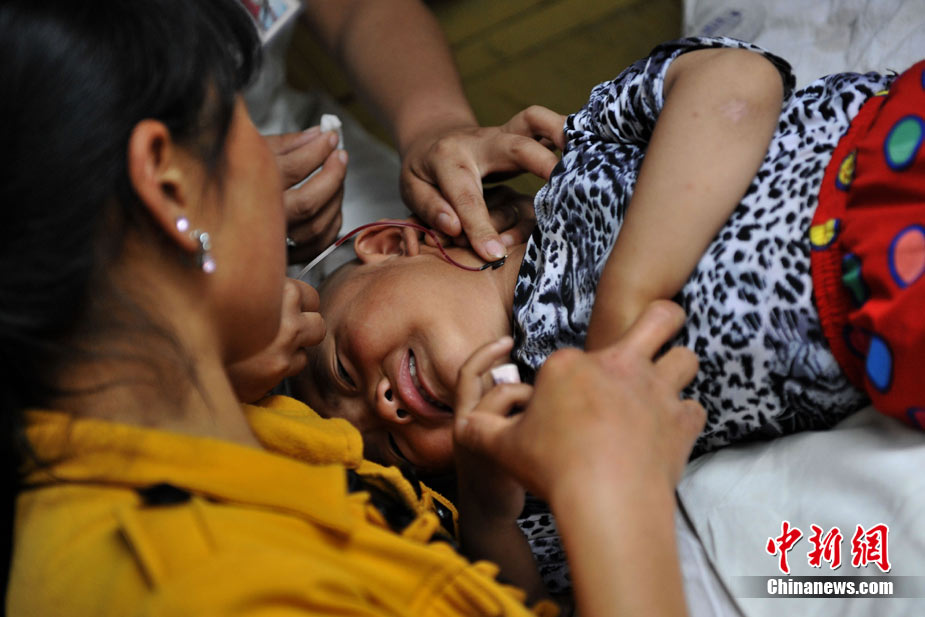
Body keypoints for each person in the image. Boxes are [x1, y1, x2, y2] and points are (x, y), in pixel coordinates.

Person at [0, 2, 706, 616]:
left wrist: (220, 339)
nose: (376, 410)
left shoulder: (225, 415)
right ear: (172, 190)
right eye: (240, 127)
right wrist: (619, 505)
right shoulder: (224, 582)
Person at [294, 35, 925, 474]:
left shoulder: (576, 166)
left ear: (389, 245)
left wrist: (626, 299)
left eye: (344, 372)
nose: (382, 410)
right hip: (889, 347)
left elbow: (739, 82)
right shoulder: (548, 446)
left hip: (884, 171)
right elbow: (528, 591)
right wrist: (489, 507)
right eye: (389, 452)